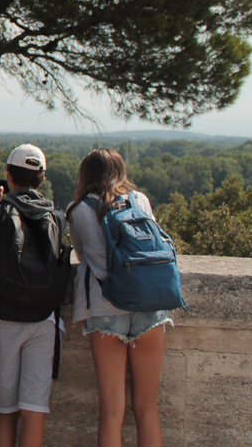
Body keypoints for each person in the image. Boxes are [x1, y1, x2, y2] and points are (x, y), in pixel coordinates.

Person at [66, 148, 172, 447]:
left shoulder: (78, 209)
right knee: (147, 407)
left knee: (112, 411)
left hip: (105, 307)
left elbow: (81, 254)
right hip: (149, 303)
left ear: (85, 175)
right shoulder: (140, 200)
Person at [0, 143, 64, 447]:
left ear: (8, 176)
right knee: (34, 410)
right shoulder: (56, 217)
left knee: (6, 410)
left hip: (2, 315)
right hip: (43, 318)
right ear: (42, 179)